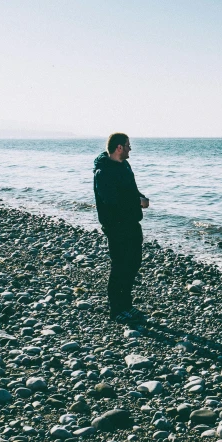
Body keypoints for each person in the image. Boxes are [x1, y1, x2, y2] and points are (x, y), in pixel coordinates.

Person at [93, 133, 150, 323]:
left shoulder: (125, 166)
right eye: (128, 145)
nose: (130, 148)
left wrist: (140, 198)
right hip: (115, 226)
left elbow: (131, 190)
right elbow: (111, 200)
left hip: (132, 223)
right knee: (119, 266)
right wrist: (136, 202)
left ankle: (127, 304)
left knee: (133, 263)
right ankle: (116, 309)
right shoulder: (103, 172)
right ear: (119, 147)